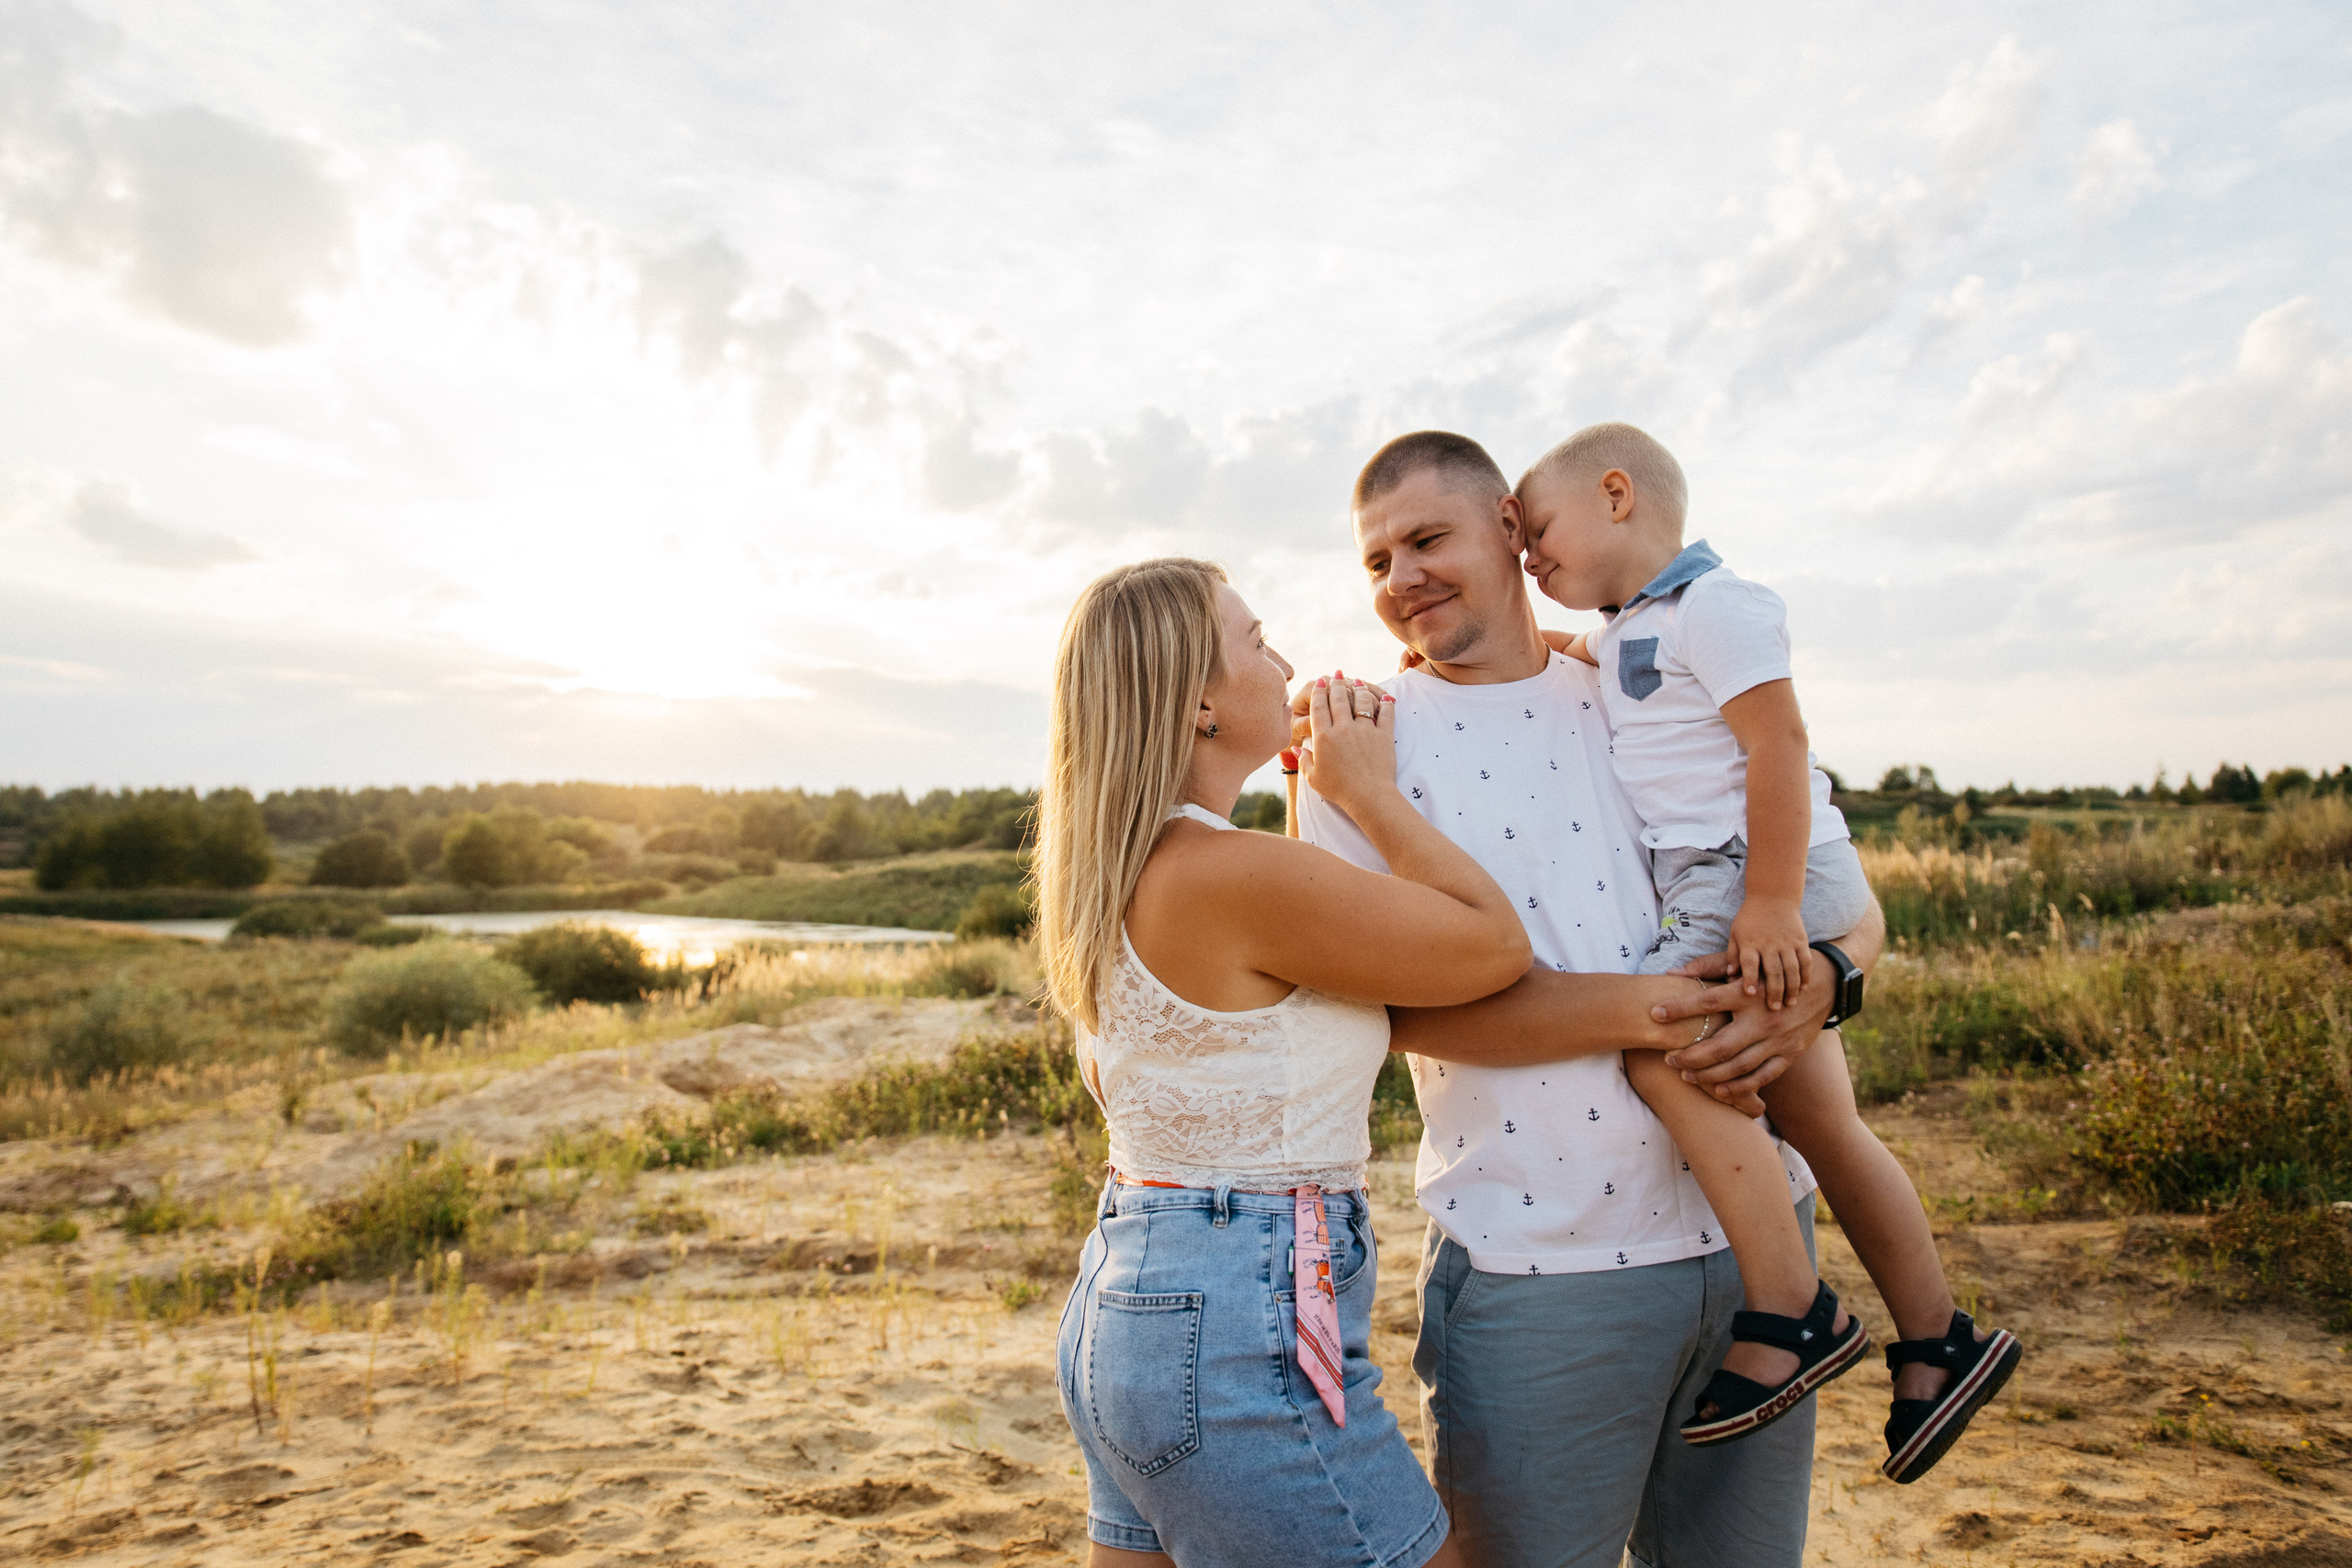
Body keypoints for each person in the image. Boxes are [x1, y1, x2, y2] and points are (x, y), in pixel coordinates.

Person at [1039, 558, 1801, 1568]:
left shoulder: (1145, 866)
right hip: (1236, 1323)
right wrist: (1370, 790)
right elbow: (1490, 946)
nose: (1286, 662)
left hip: (1139, 1301)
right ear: (1198, 707)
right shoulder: (1231, 874)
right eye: (1257, 641)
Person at [1293, 431, 1885, 1568]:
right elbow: (1386, 1018)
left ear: (1511, 531)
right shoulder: (1355, 753)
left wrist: (1829, 978)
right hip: (1544, 1266)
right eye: (1374, 562)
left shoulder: (1641, 677)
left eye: (1427, 540)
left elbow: (1821, 874)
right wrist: (1652, 1011)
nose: (1400, 579)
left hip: (1761, 1250)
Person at [1517, 422, 2018, 1479]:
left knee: (1662, 1044)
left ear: (1617, 496)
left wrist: (1775, 903)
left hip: (1748, 869)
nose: (1527, 554)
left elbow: (1779, 746)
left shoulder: (1717, 606)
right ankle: (1938, 1340)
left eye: (1538, 527)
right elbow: (1622, 686)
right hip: (1736, 874)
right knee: (1822, 1122)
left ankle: (1793, 1307)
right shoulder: (1624, 632)